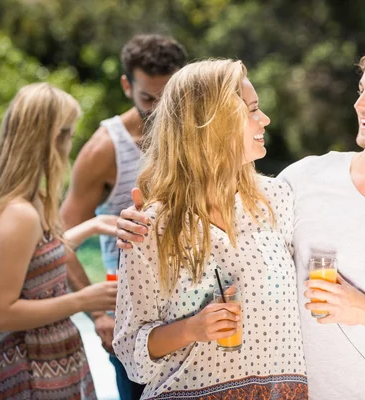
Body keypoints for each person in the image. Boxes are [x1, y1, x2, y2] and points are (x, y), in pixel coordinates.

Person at [116, 43, 365, 400]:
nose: (359, 104)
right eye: (361, 90)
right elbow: (202, 195)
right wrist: (144, 220)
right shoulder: (299, 183)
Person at [112, 59, 308, 399]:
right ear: (212, 124)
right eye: (252, 111)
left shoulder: (277, 199)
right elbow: (132, 355)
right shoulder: (152, 226)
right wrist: (192, 328)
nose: (265, 120)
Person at [0, 83, 118, 399]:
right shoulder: (19, 214)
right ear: (52, 140)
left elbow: (35, 262)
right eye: (70, 135)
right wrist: (84, 300)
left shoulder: (28, 202)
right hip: (33, 373)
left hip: (54, 362)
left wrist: (92, 226)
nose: (71, 145)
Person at [60, 34, 188, 400]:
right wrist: (98, 315)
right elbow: (60, 239)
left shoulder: (195, 136)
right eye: (149, 98)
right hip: (135, 325)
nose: (161, 108)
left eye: (169, 96)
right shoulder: (104, 148)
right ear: (126, 86)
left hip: (194, 319)